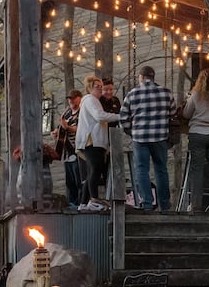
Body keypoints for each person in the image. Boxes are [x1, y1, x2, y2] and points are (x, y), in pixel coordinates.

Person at [120, 64, 176, 211]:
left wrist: (132, 131)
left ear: (141, 77)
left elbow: (123, 119)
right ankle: (164, 204)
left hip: (140, 138)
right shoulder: (166, 93)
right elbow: (173, 114)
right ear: (153, 77)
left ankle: (147, 203)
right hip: (160, 137)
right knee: (161, 170)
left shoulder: (132, 94)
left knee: (141, 170)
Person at [182, 68, 209, 211]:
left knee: (197, 169)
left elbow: (186, 113)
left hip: (197, 134)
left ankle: (196, 205)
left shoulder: (195, 95)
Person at [76, 74, 120, 211]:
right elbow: (99, 116)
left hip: (96, 141)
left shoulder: (94, 101)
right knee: (95, 169)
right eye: (97, 87)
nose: (101, 89)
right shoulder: (90, 100)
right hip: (92, 140)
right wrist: (120, 116)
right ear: (89, 88)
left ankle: (83, 203)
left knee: (92, 171)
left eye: (102, 87)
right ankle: (93, 199)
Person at [55, 89, 84, 209]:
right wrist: (57, 132)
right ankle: (72, 203)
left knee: (79, 180)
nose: (71, 100)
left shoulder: (82, 112)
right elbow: (61, 129)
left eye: (73, 98)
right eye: (69, 98)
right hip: (67, 152)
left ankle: (80, 203)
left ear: (79, 98)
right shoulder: (66, 114)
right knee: (70, 182)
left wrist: (68, 127)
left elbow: (83, 128)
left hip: (78, 150)